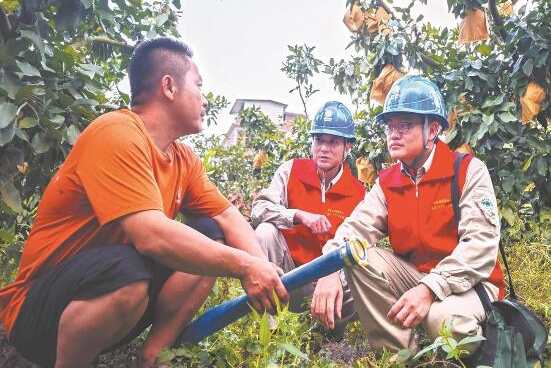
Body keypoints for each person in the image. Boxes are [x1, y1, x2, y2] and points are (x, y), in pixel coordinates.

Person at [0, 37, 289, 368]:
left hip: (111, 297)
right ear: (169, 87)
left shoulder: (183, 159)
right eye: (198, 85)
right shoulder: (116, 134)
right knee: (129, 269)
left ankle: (153, 356)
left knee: (209, 231)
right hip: (37, 314)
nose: (204, 100)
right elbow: (150, 235)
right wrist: (245, 266)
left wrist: (264, 272)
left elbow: (226, 216)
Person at [311, 76, 505, 354]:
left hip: (469, 282)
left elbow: (481, 246)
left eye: (405, 125)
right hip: (416, 276)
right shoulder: (388, 181)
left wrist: (429, 289)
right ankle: (400, 355)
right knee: (358, 255)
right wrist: (329, 268)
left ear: (432, 129)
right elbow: (355, 229)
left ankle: (465, 346)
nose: (394, 134)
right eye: (390, 126)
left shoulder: (466, 170)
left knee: (445, 323)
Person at [251, 101, 365, 334]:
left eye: (333, 142)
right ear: (312, 143)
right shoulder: (291, 170)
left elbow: (360, 246)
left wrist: (332, 274)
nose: (324, 148)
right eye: (319, 140)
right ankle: (269, 330)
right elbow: (258, 208)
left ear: (348, 148)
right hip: (287, 279)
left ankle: (331, 333)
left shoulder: (358, 193)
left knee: (365, 267)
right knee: (264, 231)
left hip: (331, 285)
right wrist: (297, 215)